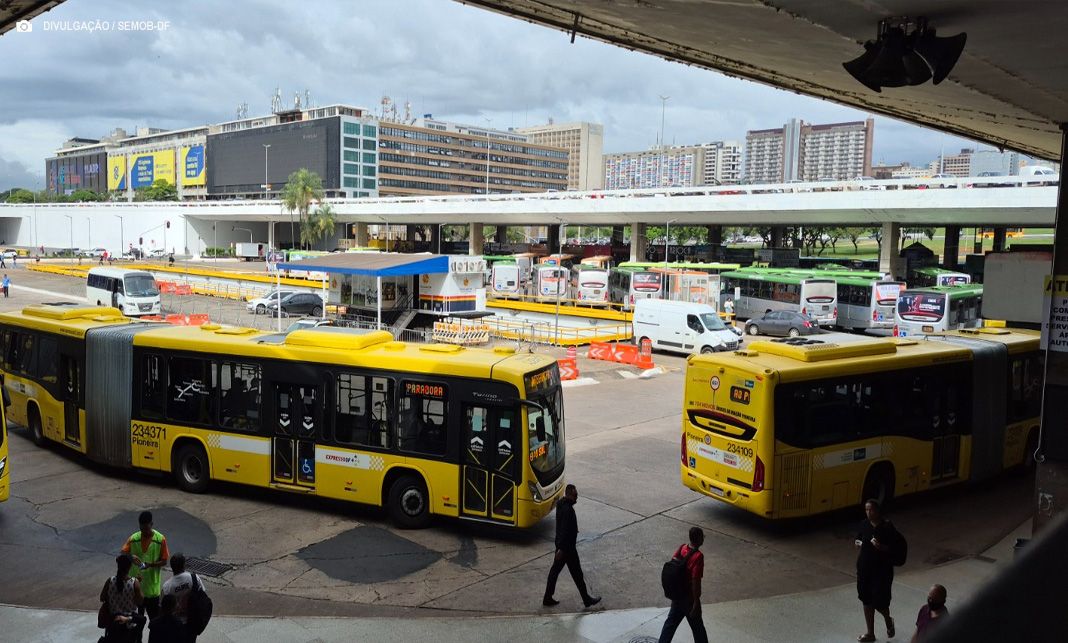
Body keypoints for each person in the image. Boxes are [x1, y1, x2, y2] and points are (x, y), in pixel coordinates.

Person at [542, 484, 601, 608]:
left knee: (556, 572)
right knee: (577, 574)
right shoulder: (568, 510)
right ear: (569, 495)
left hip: (561, 547)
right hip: (567, 549)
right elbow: (564, 530)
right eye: (575, 496)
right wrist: (562, 549)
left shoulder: (561, 504)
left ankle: (548, 597)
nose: (576, 498)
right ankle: (586, 599)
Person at [855, 499, 898, 642]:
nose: (868, 512)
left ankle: (888, 619)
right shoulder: (864, 524)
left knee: (880, 602)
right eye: (866, 510)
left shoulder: (887, 527)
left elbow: (894, 549)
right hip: (864, 568)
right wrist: (858, 543)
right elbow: (858, 538)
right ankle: (870, 633)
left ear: (878, 511)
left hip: (881, 571)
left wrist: (881, 547)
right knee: (866, 600)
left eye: (871, 510)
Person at [658, 527, 709, 643]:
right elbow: (696, 580)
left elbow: (674, 563)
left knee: (670, 624)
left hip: (677, 594)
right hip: (688, 598)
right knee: (698, 629)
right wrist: (696, 602)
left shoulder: (682, 548)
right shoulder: (698, 556)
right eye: (703, 537)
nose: (703, 539)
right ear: (699, 539)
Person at [122, 510, 170, 620]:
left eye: (146, 528)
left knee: (154, 620)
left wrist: (151, 565)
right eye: (142, 528)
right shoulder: (134, 538)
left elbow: (164, 561)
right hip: (135, 588)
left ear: (151, 524)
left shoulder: (160, 539)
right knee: (135, 621)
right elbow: (123, 553)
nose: (144, 531)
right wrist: (130, 557)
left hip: (152, 590)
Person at [100, 553, 145, 643]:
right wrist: (138, 584)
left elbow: (102, 598)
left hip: (113, 624)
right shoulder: (134, 583)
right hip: (129, 624)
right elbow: (140, 601)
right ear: (130, 567)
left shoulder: (110, 581)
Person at [162, 552, 206, 641]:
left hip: (174, 625)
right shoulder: (194, 578)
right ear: (184, 565)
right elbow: (203, 596)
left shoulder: (167, 586)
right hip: (192, 622)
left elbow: (162, 608)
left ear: (171, 567)